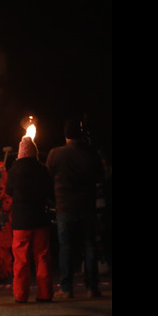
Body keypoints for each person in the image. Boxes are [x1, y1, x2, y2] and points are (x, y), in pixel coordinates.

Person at [45, 119, 106, 298]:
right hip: (87, 206)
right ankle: (92, 288)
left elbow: (48, 175)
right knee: (89, 246)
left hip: (65, 206)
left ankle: (66, 288)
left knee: (66, 248)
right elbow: (100, 177)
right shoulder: (90, 153)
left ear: (65, 135)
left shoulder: (55, 154)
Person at [6, 136, 55, 303]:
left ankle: (20, 295)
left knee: (21, 259)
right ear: (34, 152)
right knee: (42, 257)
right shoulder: (42, 170)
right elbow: (50, 192)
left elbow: (8, 191)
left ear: (19, 153)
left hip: (21, 221)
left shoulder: (13, 171)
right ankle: (45, 293)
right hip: (40, 219)